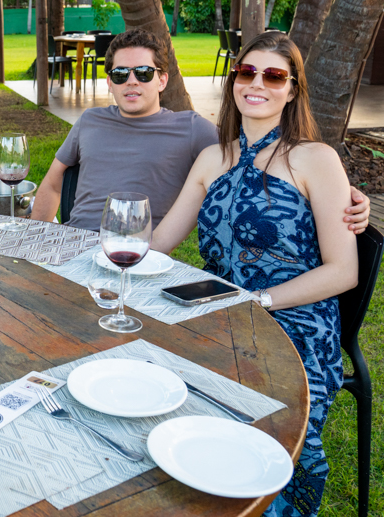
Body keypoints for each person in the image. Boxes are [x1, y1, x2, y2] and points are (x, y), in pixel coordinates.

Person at [151, 31, 357, 517]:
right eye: (247, 71)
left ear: (293, 90)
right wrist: (106, 244)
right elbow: (159, 244)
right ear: (234, 80)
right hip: (217, 310)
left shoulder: (315, 159)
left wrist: (258, 302)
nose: (257, 83)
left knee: (257, 420)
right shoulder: (212, 158)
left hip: (296, 322)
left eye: (274, 75)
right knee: (148, 376)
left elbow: (343, 271)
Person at [31, 28, 371, 233]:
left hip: (139, 253)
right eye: (121, 74)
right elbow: (53, 182)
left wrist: (338, 192)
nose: (131, 81)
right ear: (110, 82)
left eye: (143, 73)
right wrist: (36, 237)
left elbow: (255, 155)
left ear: (162, 80)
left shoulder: (191, 129)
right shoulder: (90, 120)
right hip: (73, 242)